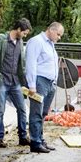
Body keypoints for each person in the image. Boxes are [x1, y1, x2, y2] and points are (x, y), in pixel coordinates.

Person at [0, 18, 32, 148]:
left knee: (22, 109)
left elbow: (21, 65)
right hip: (2, 82)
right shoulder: (1, 40)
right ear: (18, 29)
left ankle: (23, 137)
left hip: (15, 82)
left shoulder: (20, 42)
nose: (25, 35)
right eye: (24, 33)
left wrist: (25, 82)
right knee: (0, 110)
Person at [25, 22, 64, 153]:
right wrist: (31, 84)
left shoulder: (50, 44)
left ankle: (40, 139)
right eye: (58, 34)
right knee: (36, 112)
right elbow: (30, 63)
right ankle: (35, 142)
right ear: (51, 30)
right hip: (40, 81)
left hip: (50, 82)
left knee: (43, 113)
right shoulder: (36, 42)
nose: (59, 37)